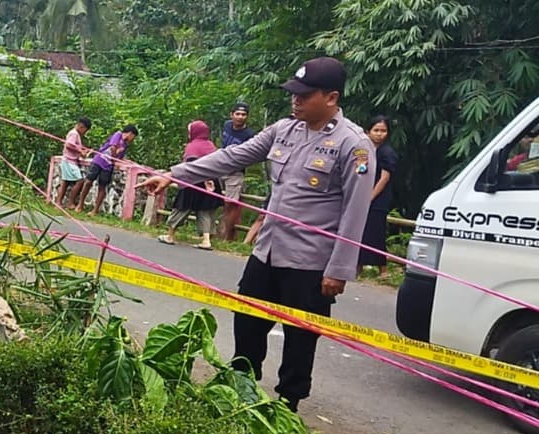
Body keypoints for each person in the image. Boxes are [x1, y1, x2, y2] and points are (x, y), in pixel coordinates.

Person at [141, 56, 375, 412]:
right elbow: (231, 157)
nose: (294, 100)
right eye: (293, 94)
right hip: (267, 251)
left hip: (310, 263)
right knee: (247, 321)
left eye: (304, 94)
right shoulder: (283, 130)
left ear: (331, 97)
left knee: (300, 337)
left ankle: (287, 405)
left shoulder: (353, 145)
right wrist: (174, 175)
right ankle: (242, 390)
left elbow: (356, 212)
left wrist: (339, 269)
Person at [157, 120, 223, 250]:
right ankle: (206, 240)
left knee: (181, 208)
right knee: (205, 210)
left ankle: (170, 235)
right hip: (211, 182)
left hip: (193, 180)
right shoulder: (210, 145)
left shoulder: (192, 146)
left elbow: (190, 164)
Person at [359, 115, 398, 276]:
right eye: (376, 130)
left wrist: (370, 198)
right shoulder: (365, 150)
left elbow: (385, 178)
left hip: (378, 200)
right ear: (368, 132)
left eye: (383, 131)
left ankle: (383, 270)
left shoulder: (386, 152)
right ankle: (358, 267)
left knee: (376, 233)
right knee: (362, 233)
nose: (379, 134)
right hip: (363, 197)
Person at [77, 124, 137, 213]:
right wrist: (115, 156)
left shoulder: (125, 145)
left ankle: (95, 210)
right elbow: (113, 147)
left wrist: (126, 161)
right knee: (88, 182)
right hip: (99, 160)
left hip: (108, 166)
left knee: (102, 186)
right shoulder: (118, 135)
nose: (132, 139)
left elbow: (119, 157)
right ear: (130, 134)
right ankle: (80, 205)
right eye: (133, 137)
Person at [219, 102, 257, 241]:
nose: (240, 117)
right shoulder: (227, 126)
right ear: (232, 115)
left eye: (244, 114)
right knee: (213, 198)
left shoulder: (250, 134)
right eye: (238, 114)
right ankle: (210, 231)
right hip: (220, 166)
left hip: (236, 171)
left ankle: (226, 236)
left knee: (231, 203)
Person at [57, 118, 91, 209]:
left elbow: (74, 145)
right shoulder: (74, 133)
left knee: (65, 182)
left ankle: (59, 202)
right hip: (69, 161)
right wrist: (80, 151)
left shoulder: (74, 134)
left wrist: (83, 149)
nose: (85, 132)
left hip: (68, 160)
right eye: (85, 130)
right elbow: (69, 145)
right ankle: (70, 202)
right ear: (82, 127)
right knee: (80, 180)